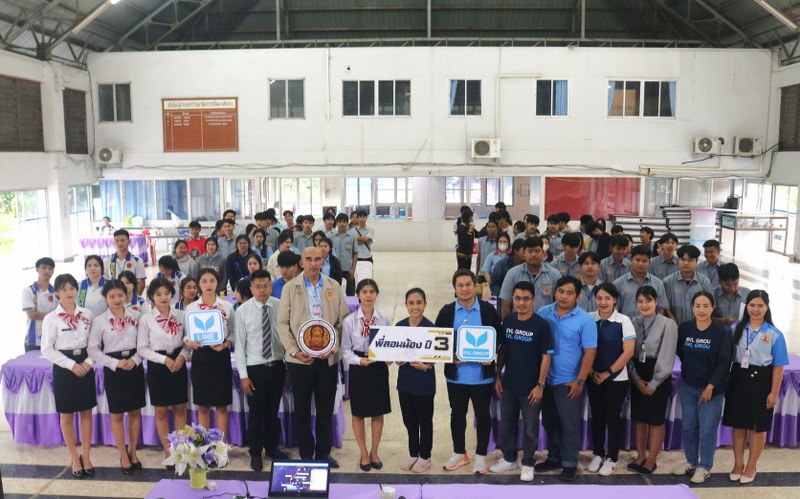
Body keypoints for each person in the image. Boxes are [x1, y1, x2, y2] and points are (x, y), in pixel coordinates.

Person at [276, 246, 350, 468]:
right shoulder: (290, 288)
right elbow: (282, 324)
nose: (313, 263)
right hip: (300, 360)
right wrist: (294, 351)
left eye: (317, 259)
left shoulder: (334, 286)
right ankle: (306, 453)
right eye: (308, 259)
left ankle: (323, 453)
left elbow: (343, 321)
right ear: (301, 262)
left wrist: (334, 346)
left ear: (323, 262)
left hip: (327, 359)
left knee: (325, 409)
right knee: (302, 410)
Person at [435, 269, 501, 475]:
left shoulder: (487, 310)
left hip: (482, 377)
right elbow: (438, 342)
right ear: (455, 289)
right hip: (457, 377)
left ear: (475, 286)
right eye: (460, 285)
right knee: (457, 415)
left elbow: (498, 338)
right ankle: (459, 453)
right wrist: (450, 356)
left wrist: (491, 354)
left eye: (468, 284)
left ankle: (480, 456)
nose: (464, 289)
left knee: (482, 416)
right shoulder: (447, 312)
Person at [534, 276, 597, 481]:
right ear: (555, 292)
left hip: (569, 381)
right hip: (546, 380)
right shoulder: (544, 313)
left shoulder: (585, 320)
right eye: (560, 291)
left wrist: (580, 381)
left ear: (577, 296)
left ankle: (569, 463)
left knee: (569, 425)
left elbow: (590, 352)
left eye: (570, 293)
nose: (564, 296)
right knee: (550, 422)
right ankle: (554, 457)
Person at [722, 290, 788, 484]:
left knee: (758, 427)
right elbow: (726, 357)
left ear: (767, 307)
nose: (756, 309)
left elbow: (778, 366)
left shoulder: (774, 334)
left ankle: (751, 466)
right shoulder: (735, 328)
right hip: (738, 378)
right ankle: (738, 464)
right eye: (752, 305)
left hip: (762, 381)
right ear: (746, 307)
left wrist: (774, 393)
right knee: (738, 424)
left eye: (760, 305)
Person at [490, 281, 553, 482]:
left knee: (531, 428)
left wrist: (540, 385)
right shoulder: (508, 321)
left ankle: (527, 463)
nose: (521, 302)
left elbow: (546, 356)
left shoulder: (541, 325)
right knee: (507, 424)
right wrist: (498, 376)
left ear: (533, 300)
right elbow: (503, 350)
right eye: (517, 298)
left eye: (526, 299)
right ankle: (510, 459)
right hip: (509, 384)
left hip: (531, 388)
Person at [673, 291, 733, 484]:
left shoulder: (721, 332)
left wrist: (710, 386)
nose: (701, 310)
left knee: (707, 430)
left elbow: (724, 362)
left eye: (706, 306)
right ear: (692, 307)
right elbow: (681, 352)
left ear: (712, 308)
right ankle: (691, 461)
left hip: (711, 389)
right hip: (688, 386)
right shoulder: (685, 329)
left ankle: (705, 466)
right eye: (697, 306)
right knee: (689, 427)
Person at [41, 274, 96, 479]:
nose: (69, 292)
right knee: (66, 415)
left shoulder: (87, 314)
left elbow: (95, 343)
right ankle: (74, 458)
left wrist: (88, 362)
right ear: (57, 292)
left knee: (86, 412)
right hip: (64, 368)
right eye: (64, 289)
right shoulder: (51, 318)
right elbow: (47, 349)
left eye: (72, 288)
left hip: (86, 364)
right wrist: (72, 365)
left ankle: (86, 456)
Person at [87, 280, 145, 474]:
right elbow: (93, 350)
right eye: (111, 296)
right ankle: (122, 454)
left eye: (120, 295)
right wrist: (114, 363)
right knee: (117, 414)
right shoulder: (99, 321)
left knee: (135, 411)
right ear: (105, 298)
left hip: (134, 366)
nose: (117, 299)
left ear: (126, 295)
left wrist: (135, 360)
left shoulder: (136, 316)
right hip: (114, 370)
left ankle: (133, 451)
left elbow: (144, 343)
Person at [235, 269, 289, 471]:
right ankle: (256, 453)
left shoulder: (280, 306)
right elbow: (239, 345)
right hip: (255, 368)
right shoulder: (243, 311)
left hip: (277, 366)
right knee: (256, 414)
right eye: (258, 286)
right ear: (251, 288)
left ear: (271, 287)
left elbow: (286, 338)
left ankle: (273, 449)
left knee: (272, 412)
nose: (262, 290)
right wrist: (243, 376)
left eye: (266, 286)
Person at [136, 278, 189, 466]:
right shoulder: (146, 319)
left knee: (180, 407)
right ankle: (168, 451)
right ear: (151, 296)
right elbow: (142, 349)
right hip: (158, 365)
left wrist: (182, 356)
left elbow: (187, 341)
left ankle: (180, 449)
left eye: (167, 293)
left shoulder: (181, 315)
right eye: (158, 294)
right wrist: (163, 360)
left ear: (172, 294)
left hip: (178, 362)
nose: (163, 297)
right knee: (161, 410)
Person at [342, 279, 393, 471]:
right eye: (364, 292)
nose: (368, 295)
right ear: (358, 295)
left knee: (378, 411)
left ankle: (375, 451)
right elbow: (345, 349)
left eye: (372, 291)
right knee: (359, 412)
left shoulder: (384, 319)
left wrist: (389, 357)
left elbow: (390, 343)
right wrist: (359, 361)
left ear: (377, 294)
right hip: (359, 367)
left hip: (378, 367)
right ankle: (363, 453)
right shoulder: (350, 321)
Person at [586, 283, 635, 477]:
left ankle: (612, 457)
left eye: (607, 298)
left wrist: (607, 372)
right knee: (597, 416)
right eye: (599, 298)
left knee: (612, 417)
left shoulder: (624, 321)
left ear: (615, 300)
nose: (603, 302)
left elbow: (628, 352)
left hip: (616, 378)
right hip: (593, 377)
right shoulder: (589, 319)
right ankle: (598, 453)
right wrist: (591, 371)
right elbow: (583, 348)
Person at [628, 286, 678, 475]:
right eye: (640, 301)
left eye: (648, 301)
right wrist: (635, 378)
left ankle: (651, 460)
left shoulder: (667, 324)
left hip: (658, 374)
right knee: (640, 419)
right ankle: (640, 456)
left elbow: (667, 356)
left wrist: (655, 382)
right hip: (638, 373)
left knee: (655, 420)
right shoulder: (632, 322)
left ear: (656, 302)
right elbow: (628, 353)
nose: (644, 305)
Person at [185, 269, 235, 449]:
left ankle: (221, 449)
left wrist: (226, 343)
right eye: (204, 281)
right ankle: (203, 448)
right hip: (201, 357)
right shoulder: (191, 308)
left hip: (220, 356)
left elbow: (234, 332)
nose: (208, 284)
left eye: (212, 280)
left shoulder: (227, 306)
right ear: (199, 284)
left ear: (218, 283)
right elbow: (185, 335)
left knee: (221, 406)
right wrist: (189, 343)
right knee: (203, 406)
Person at [395, 288, 436, 474]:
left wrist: (425, 366)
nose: (415, 307)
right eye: (411, 303)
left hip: (424, 382)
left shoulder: (431, 328)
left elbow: (438, 355)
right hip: (405, 381)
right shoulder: (400, 327)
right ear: (406, 305)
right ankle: (413, 453)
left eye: (419, 302)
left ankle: (425, 456)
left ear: (425, 304)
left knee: (424, 421)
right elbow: (394, 350)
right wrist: (397, 359)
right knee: (409, 420)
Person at [499, 236, 562, 318]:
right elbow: (506, 304)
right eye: (530, 251)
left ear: (543, 253)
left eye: (537, 251)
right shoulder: (512, 274)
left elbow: (560, 304)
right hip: (519, 323)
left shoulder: (554, 275)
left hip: (547, 322)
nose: (533, 254)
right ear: (524, 254)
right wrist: (507, 324)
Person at [612, 245, 671, 319]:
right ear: (631, 260)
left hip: (651, 324)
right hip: (626, 324)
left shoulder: (658, 283)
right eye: (637, 260)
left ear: (649, 262)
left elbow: (661, 308)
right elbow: (615, 309)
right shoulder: (618, 283)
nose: (640, 264)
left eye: (644, 261)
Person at [663, 245, 714, 324]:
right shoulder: (668, 282)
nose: (686, 263)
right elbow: (666, 308)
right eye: (683, 259)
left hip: (699, 326)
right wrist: (674, 325)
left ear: (696, 261)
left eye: (690, 260)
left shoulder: (705, 282)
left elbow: (709, 306)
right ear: (678, 260)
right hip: (675, 326)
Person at [23, 257, 58, 351]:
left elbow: (60, 315)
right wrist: (53, 316)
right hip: (33, 341)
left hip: (53, 340)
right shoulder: (29, 291)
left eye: (50, 268)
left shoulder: (56, 293)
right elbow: (32, 315)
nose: (47, 271)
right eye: (44, 267)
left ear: (53, 271)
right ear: (37, 269)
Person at [104, 229, 146, 295]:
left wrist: (135, 299)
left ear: (129, 241)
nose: (119, 243)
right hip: (114, 298)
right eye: (117, 241)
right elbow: (105, 282)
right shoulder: (106, 261)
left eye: (123, 240)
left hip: (131, 296)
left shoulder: (137, 261)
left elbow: (141, 283)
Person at [331, 214, 358, 295]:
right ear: (336, 223)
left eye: (344, 222)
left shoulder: (352, 237)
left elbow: (355, 254)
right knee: (335, 293)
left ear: (347, 223)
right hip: (335, 270)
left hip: (348, 270)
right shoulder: (332, 237)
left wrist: (353, 270)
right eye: (339, 222)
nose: (342, 224)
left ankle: (350, 304)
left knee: (350, 295)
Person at [353, 210, 375, 283]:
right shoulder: (353, 230)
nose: (362, 219)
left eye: (364, 217)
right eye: (360, 217)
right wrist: (364, 239)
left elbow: (366, 239)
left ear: (366, 218)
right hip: (357, 258)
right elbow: (355, 242)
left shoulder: (371, 230)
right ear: (358, 218)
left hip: (367, 257)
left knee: (368, 278)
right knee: (357, 279)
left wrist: (357, 238)